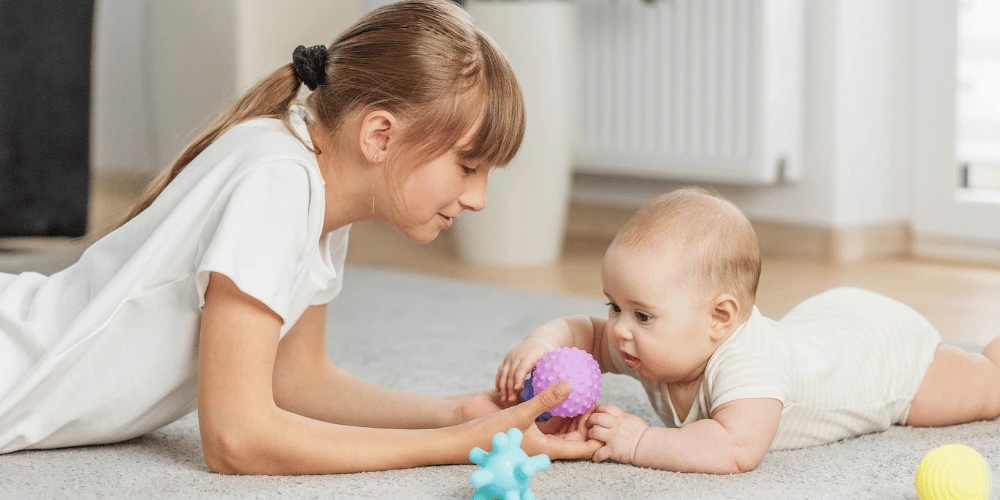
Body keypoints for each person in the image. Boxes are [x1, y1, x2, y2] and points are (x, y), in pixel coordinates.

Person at [0, 0, 601, 473]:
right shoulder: (277, 184)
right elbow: (236, 439)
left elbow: (295, 379)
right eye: (468, 167)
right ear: (380, 137)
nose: (478, 198)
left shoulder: (312, 178)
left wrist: (456, 414)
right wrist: (453, 446)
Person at [495, 187, 1000, 473]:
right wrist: (543, 343)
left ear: (720, 319)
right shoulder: (650, 341)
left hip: (882, 356)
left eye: (641, 315)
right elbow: (581, 330)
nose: (620, 331)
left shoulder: (748, 366)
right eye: (614, 307)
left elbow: (734, 449)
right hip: (824, 322)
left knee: (987, 386)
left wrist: (639, 441)